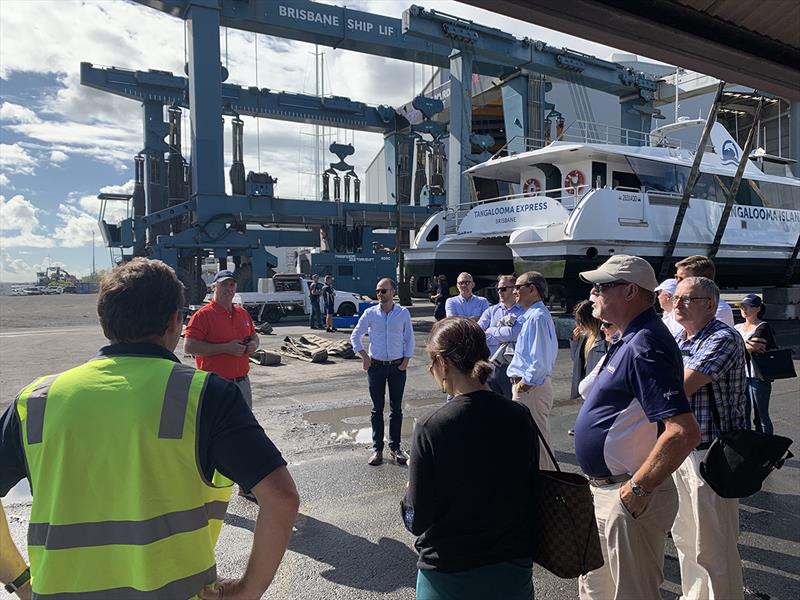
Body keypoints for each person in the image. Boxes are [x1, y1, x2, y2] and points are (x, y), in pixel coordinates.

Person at [0, 258, 299, 600]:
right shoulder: (206, 396)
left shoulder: (36, 400)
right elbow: (282, 499)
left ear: (105, 320)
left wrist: (20, 580)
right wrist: (247, 590)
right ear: (175, 320)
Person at [574, 254, 700, 600]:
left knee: (632, 593)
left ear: (630, 291)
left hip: (625, 494)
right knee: (595, 589)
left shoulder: (646, 344)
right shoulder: (629, 338)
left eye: (601, 287)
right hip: (606, 491)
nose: (593, 294)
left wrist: (637, 491)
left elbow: (683, 430)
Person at [401, 317, 539, 600]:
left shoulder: (432, 426)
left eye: (431, 361)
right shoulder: (519, 415)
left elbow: (416, 519)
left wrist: (410, 486)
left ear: (443, 362)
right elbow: (529, 488)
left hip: (449, 572)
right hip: (511, 568)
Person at [672, 276, 747, 599]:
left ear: (710, 305)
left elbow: (679, 386)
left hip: (712, 454)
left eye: (687, 299)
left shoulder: (723, 338)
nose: (677, 303)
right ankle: (695, 595)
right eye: (676, 297)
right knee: (686, 538)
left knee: (714, 545)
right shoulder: (682, 339)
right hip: (680, 449)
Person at [351, 277, 415, 466]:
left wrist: (405, 362)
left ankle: (395, 448)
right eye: (378, 291)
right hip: (376, 367)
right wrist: (364, 356)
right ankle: (377, 449)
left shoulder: (403, 314)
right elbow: (355, 335)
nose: (380, 294)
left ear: (393, 292)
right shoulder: (370, 313)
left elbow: (409, 339)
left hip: (397, 367)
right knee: (376, 409)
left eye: (384, 291)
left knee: (396, 409)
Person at [185, 269, 258, 408]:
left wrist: (254, 344)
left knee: (243, 427)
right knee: (217, 428)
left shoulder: (242, 313)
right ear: (214, 287)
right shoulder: (203, 316)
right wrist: (225, 348)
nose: (228, 289)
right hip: (215, 385)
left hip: (242, 383)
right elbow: (189, 346)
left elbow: (254, 336)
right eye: (224, 285)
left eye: (232, 285)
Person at [506, 271, 558, 469]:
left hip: (531, 389)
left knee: (538, 443)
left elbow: (540, 361)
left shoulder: (537, 318)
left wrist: (524, 384)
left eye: (517, 287)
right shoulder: (533, 316)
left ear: (532, 289)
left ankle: (549, 488)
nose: (514, 291)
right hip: (529, 387)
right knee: (529, 441)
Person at [734, 293, 778, 433]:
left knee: (761, 415)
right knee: (743, 414)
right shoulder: (737, 327)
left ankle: (768, 446)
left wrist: (736, 345)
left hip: (758, 376)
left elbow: (754, 346)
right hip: (741, 376)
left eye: (748, 306)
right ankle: (749, 446)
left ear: (758, 309)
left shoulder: (763, 327)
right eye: (742, 306)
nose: (744, 309)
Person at [477, 274, 524, 399]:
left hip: (514, 368)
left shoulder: (524, 311)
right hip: (491, 367)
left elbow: (516, 334)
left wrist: (492, 331)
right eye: (497, 289)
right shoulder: (491, 311)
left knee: (512, 408)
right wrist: (504, 336)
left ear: (514, 289)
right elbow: (478, 333)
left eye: (503, 289)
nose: (499, 292)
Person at [674, 255, 734, 326]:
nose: (676, 282)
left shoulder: (720, 310)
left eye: (682, 279)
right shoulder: (677, 304)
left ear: (701, 280)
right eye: (676, 277)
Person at [569, 300, 607, 401]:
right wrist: (574, 341)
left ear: (590, 319)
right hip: (586, 387)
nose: (578, 325)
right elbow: (575, 358)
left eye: (581, 321)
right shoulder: (585, 336)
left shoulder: (604, 337)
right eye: (576, 321)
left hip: (598, 389)